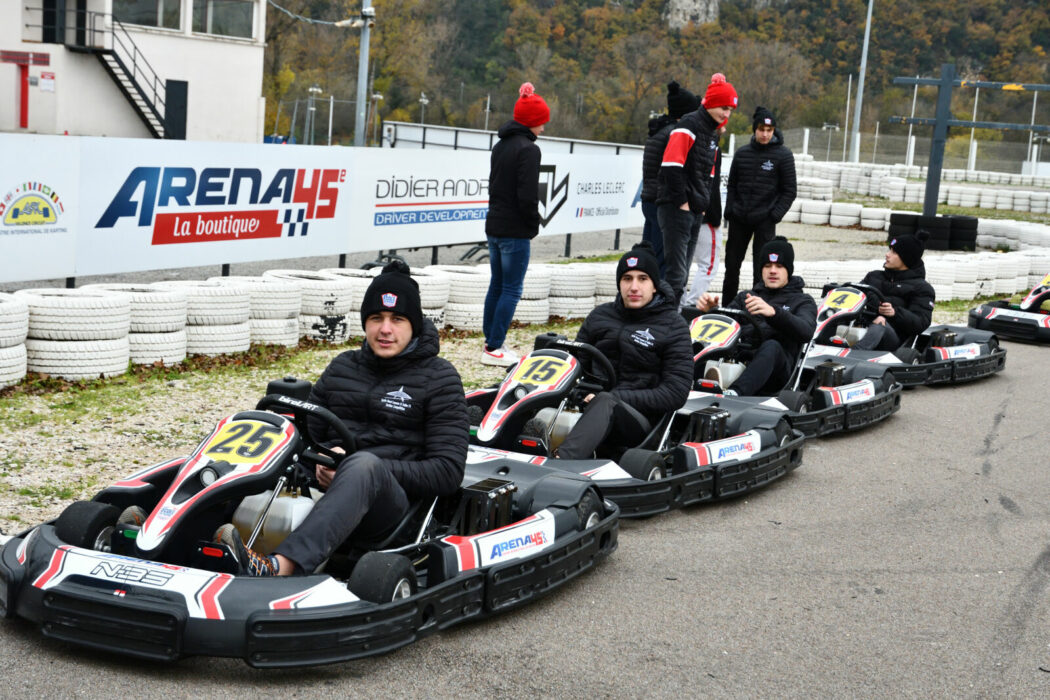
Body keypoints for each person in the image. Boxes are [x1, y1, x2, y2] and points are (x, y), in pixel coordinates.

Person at [215, 261, 469, 576]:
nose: (385, 329)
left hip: (393, 511)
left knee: (363, 466)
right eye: (376, 318)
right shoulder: (344, 367)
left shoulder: (440, 378)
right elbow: (307, 434)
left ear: (414, 325)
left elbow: (447, 472)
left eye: (397, 319)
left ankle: (280, 567)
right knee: (252, 440)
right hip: (328, 485)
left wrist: (349, 466)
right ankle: (180, 531)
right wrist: (321, 458)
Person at [555, 242, 693, 460]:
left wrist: (615, 396)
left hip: (637, 421)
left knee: (605, 402)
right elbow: (574, 363)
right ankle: (497, 443)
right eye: (627, 279)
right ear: (619, 283)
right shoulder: (600, 316)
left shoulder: (673, 326)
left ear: (655, 285)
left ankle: (561, 464)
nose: (634, 287)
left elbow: (676, 393)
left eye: (642, 279)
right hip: (588, 403)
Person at [481, 82, 550, 367]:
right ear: (532, 122)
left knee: (497, 284)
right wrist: (533, 224)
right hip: (515, 229)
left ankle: (491, 343)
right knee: (511, 288)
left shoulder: (501, 145)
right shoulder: (529, 151)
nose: (544, 128)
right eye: (542, 122)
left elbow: (494, 186)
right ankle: (494, 346)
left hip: (494, 224)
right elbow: (527, 194)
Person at [695, 236, 815, 396]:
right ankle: (686, 383)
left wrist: (774, 313)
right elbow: (725, 328)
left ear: (789, 270)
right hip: (738, 359)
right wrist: (712, 312)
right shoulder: (746, 297)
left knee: (772, 346)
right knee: (698, 337)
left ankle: (734, 393)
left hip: (776, 372)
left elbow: (806, 331)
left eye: (779, 266)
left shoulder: (802, 301)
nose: (772, 270)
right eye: (767, 265)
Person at [656, 72, 738, 305]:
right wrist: (682, 202)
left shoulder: (711, 132)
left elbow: (707, 175)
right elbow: (671, 166)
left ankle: (676, 319)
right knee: (675, 273)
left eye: (730, 110)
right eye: (723, 107)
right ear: (710, 103)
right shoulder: (689, 124)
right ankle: (667, 322)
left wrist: (700, 206)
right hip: (676, 207)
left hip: (694, 209)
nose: (726, 114)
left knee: (682, 274)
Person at [722, 106, 798, 301]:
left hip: (765, 219)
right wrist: (729, 210)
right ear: (754, 129)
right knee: (731, 266)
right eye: (761, 130)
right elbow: (731, 184)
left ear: (773, 131)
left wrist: (774, 215)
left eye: (769, 130)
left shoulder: (783, 155)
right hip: (739, 218)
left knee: (760, 268)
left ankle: (757, 310)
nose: (765, 134)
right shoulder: (742, 153)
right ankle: (728, 305)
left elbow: (790, 191)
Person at [640, 81, 701, 273]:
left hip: (648, 198)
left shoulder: (658, 130)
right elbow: (672, 172)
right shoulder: (674, 134)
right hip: (662, 203)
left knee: (647, 255)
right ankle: (657, 300)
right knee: (662, 260)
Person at [853, 230, 935, 350]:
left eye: (894, 252)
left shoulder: (922, 288)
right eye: (889, 250)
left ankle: (855, 353)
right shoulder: (874, 277)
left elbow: (920, 323)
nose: (887, 254)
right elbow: (856, 295)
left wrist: (895, 313)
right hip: (862, 326)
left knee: (880, 322)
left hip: (894, 341)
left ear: (906, 258)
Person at [682, 126, 725, 307]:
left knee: (682, 262)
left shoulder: (688, 139)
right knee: (708, 264)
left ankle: (678, 303)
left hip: (685, 211)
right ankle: (691, 304)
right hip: (705, 214)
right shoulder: (710, 146)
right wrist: (715, 214)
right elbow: (711, 185)